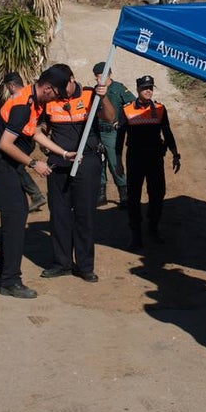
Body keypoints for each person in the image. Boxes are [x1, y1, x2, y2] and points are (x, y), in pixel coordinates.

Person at [0, 65, 73, 299]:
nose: (56, 98)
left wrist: (63, 153)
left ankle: (1, 266)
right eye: (57, 93)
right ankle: (10, 281)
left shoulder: (34, 101)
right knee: (16, 215)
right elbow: (5, 144)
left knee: (17, 214)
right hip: (0, 164)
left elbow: (34, 133)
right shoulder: (23, 106)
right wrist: (34, 164)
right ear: (48, 88)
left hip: (9, 165)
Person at [37, 64, 116, 283]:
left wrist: (104, 97)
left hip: (87, 161)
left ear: (73, 79)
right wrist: (44, 139)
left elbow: (110, 117)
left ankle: (84, 266)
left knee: (85, 215)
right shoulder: (51, 99)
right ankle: (61, 263)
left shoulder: (91, 94)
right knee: (59, 214)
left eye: (65, 87)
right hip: (58, 161)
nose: (62, 92)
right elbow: (42, 124)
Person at [116, 75, 180, 250]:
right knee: (134, 196)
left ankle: (153, 227)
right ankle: (135, 233)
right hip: (135, 157)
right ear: (137, 90)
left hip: (154, 157)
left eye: (150, 87)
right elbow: (120, 136)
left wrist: (175, 154)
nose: (148, 90)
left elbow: (167, 132)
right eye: (145, 88)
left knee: (158, 194)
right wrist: (118, 161)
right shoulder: (127, 109)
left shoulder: (160, 108)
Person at [4, 72, 47, 213]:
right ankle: (33, 196)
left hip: (22, 138)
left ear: (11, 85)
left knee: (17, 167)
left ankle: (35, 196)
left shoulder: (18, 99)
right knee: (17, 167)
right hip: (29, 138)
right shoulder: (30, 95)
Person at [93, 62, 134, 208]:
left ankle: (124, 195)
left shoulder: (118, 88)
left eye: (100, 77)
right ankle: (101, 194)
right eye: (96, 78)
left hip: (112, 132)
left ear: (109, 74)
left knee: (115, 163)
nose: (98, 81)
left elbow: (132, 104)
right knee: (99, 163)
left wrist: (122, 121)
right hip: (98, 131)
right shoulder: (95, 91)